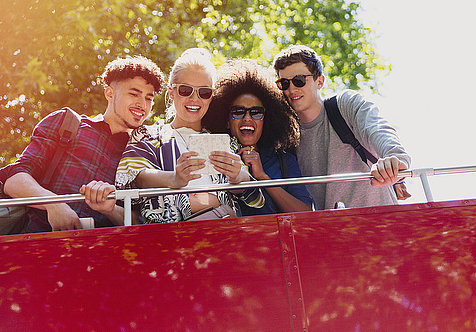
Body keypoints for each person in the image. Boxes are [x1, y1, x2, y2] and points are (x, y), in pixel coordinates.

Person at [98, 48, 264, 225]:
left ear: (211, 97)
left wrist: (238, 176)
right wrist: (174, 178)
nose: (195, 99)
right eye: (185, 90)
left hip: (224, 235)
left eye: (204, 92)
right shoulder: (147, 135)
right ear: (171, 92)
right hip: (167, 239)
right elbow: (136, 177)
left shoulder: (225, 142)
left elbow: (256, 200)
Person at [3, 55, 165, 232]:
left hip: (104, 253)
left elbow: (142, 220)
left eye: (149, 98)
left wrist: (110, 209)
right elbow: (14, 180)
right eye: (134, 94)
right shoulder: (66, 123)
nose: (142, 104)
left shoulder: (143, 151)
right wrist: (54, 204)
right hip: (38, 246)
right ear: (110, 93)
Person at [272, 45, 411, 210]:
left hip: (380, 225)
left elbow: (377, 128)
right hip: (333, 232)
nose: (292, 89)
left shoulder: (345, 105)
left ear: (320, 81)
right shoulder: (288, 137)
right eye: (284, 83)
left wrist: (395, 157)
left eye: (299, 80)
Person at [205, 59, 315, 215]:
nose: (247, 118)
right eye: (238, 112)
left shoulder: (284, 161)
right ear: (227, 121)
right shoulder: (214, 159)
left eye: (256, 112)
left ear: (266, 120)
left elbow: (306, 213)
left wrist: (263, 177)